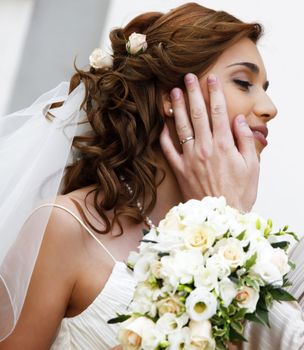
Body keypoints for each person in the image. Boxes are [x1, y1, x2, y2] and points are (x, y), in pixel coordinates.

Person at [0, 3, 271, 349]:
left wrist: (230, 222)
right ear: (168, 97)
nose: (269, 107)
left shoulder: (241, 247)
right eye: (244, 83)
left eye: (265, 86)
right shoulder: (67, 227)